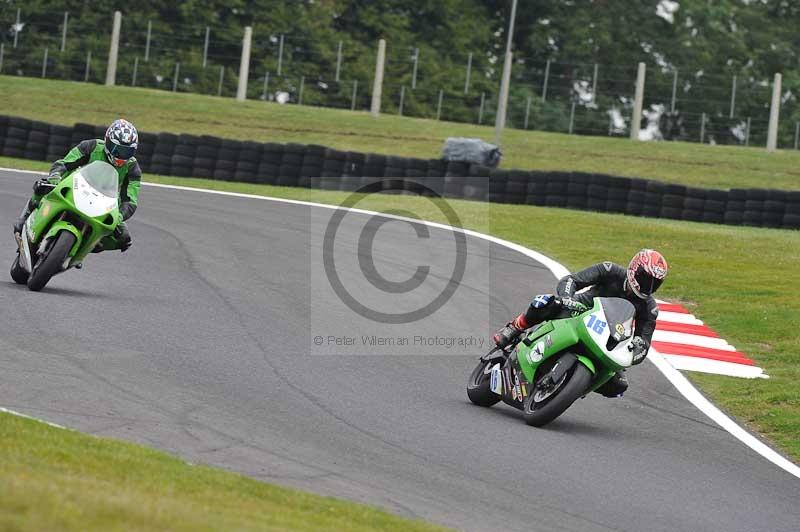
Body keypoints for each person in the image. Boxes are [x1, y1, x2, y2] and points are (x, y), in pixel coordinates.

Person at [493, 249, 669, 397]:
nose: (649, 286)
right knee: (546, 302)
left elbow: (644, 341)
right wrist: (566, 299)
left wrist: (635, 350)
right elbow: (571, 280)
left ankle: (570, 389)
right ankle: (515, 327)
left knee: (619, 385)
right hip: (579, 310)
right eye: (646, 279)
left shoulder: (650, 308)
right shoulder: (610, 270)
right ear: (634, 269)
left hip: (608, 337)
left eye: (655, 283)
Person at [13, 119, 141, 252]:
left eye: (127, 152)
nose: (121, 156)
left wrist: (119, 216)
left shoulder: (132, 168)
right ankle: (24, 219)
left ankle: (85, 247)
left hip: (104, 203)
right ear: (108, 141)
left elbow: (130, 200)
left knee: (123, 238)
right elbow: (64, 163)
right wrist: (55, 177)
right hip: (74, 188)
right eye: (118, 150)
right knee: (42, 186)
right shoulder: (91, 146)